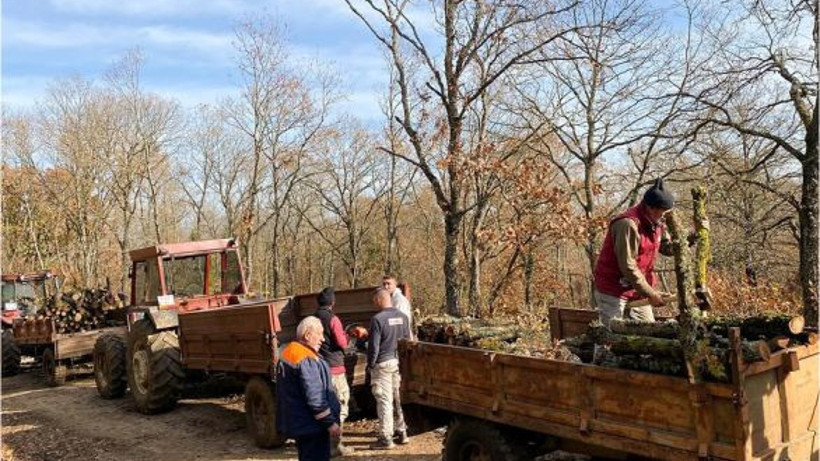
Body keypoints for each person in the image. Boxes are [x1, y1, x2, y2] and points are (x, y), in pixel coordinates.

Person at [593, 178, 678, 327]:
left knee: (648, 331)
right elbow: (628, 265)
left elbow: (667, 248)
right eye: (661, 211)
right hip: (613, 288)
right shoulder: (628, 224)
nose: (663, 215)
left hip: (637, 289)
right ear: (651, 208)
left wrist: (691, 238)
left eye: (666, 212)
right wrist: (651, 293)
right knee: (612, 333)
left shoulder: (657, 222)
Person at [276, 316, 342, 461]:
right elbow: (315, 397)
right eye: (320, 333)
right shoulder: (305, 359)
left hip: (303, 425)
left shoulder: (292, 353)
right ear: (307, 335)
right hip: (313, 427)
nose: (322, 339)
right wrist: (330, 423)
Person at [367, 288, 411, 449]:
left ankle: (386, 438)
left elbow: (374, 346)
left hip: (382, 364)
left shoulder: (377, 319)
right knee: (398, 398)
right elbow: (407, 341)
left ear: (379, 300)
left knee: (385, 401)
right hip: (398, 362)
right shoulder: (403, 317)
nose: (374, 304)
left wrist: (371, 364)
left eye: (374, 301)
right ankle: (402, 431)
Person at [313, 287, 354, 456]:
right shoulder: (333, 319)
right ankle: (335, 445)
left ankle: (323, 443)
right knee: (340, 406)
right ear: (333, 302)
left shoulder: (313, 319)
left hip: (319, 368)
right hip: (335, 369)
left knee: (324, 406)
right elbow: (342, 343)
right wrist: (349, 337)